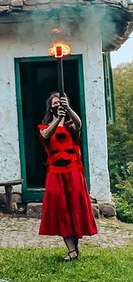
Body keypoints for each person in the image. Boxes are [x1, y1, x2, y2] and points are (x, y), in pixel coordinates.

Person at [37, 92, 97, 261]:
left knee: (75, 207)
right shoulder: (43, 126)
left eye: (60, 103)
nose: (58, 106)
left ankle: (75, 247)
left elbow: (79, 124)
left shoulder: (71, 125)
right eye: (55, 104)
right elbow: (46, 135)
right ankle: (71, 250)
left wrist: (68, 109)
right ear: (50, 107)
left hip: (73, 171)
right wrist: (57, 119)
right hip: (55, 173)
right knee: (61, 208)